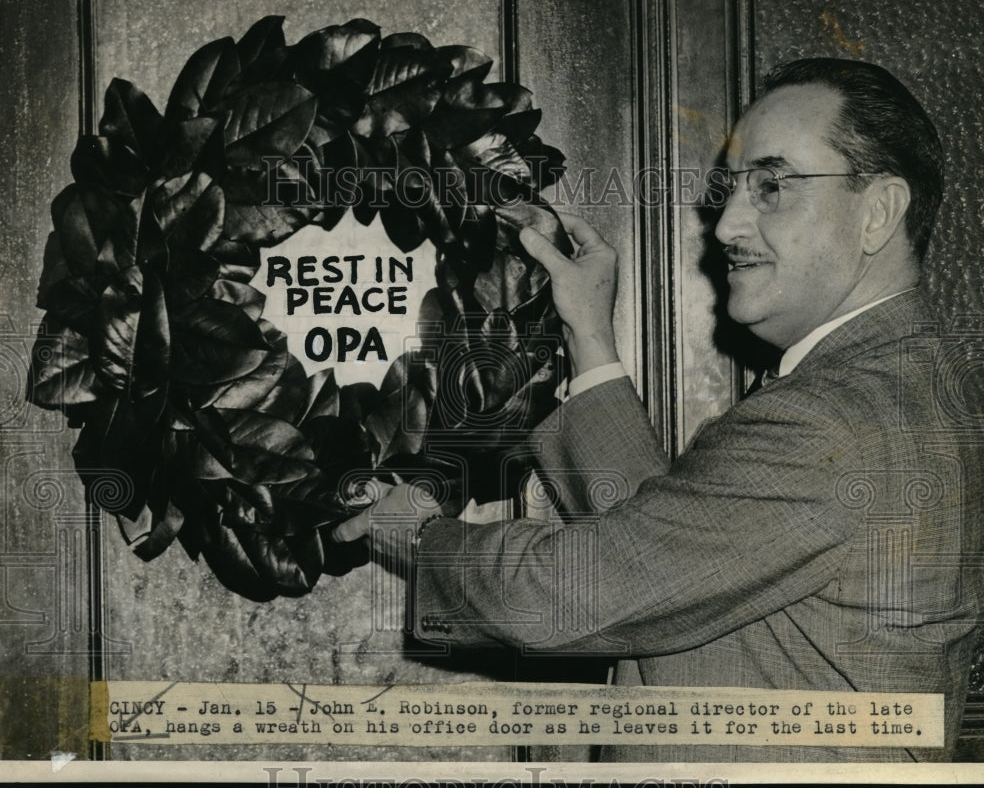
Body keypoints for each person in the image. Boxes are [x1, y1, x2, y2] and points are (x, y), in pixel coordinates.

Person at [334, 58, 984, 762]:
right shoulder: (908, 386)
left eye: (772, 187)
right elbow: (668, 563)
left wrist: (421, 535)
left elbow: (560, 596)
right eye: (731, 189)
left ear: (879, 211)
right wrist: (589, 333)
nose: (727, 223)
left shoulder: (832, 418)